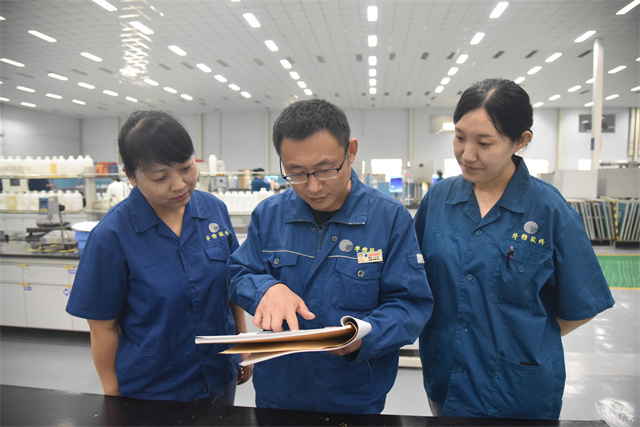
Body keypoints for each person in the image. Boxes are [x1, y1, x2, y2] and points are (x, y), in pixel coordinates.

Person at [414, 79, 614, 419]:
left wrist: (521, 338)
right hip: (447, 379)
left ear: (521, 141)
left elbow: (581, 305)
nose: (467, 154)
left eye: (484, 143)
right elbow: (412, 278)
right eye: (460, 137)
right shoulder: (438, 200)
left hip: (518, 392)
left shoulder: (548, 210)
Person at [228, 99, 434, 414]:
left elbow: (410, 304)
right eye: (296, 173)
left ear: (351, 151)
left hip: (354, 394)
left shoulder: (389, 218)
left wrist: (363, 337)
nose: (313, 187)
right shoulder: (269, 215)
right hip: (278, 391)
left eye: (325, 170)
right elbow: (240, 273)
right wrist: (267, 289)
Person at [66, 110, 252, 403]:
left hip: (219, 374)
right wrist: (112, 396)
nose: (179, 184)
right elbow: (102, 327)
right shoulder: (111, 237)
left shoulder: (214, 211)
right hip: (155, 389)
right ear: (131, 176)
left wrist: (242, 344)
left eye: (186, 168)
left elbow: (231, 285)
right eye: (160, 177)